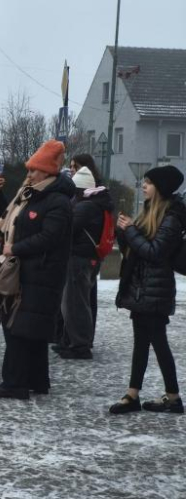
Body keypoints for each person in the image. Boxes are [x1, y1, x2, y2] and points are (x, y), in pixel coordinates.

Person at [0, 140, 74, 400]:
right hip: (30, 271)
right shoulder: (33, 195)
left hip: (40, 273)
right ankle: (37, 380)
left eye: (34, 170)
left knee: (18, 327)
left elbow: (50, 237)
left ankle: (15, 382)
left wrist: (15, 248)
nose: (29, 175)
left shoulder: (57, 201)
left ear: (48, 172)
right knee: (32, 329)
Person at [110, 165, 185, 415]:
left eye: (149, 183)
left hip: (156, 289)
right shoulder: (149, 211)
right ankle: (133, 393)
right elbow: (134, 249)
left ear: (161, 188)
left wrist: (130, 231)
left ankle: (173, 397)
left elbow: (155, 253)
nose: (144, 186)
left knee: (158, 343)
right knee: (141, 342)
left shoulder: (171, 217)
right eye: (144, 181)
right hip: (142, 288)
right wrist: (123, 233)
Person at [55, 166, 113, 359]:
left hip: (79, 258)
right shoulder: (94, 204)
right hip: (86, 258)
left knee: (75, 303)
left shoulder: (85, 206)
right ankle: (73, 341)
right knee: (75, 302)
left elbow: (68, 228)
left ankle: (79, 345)